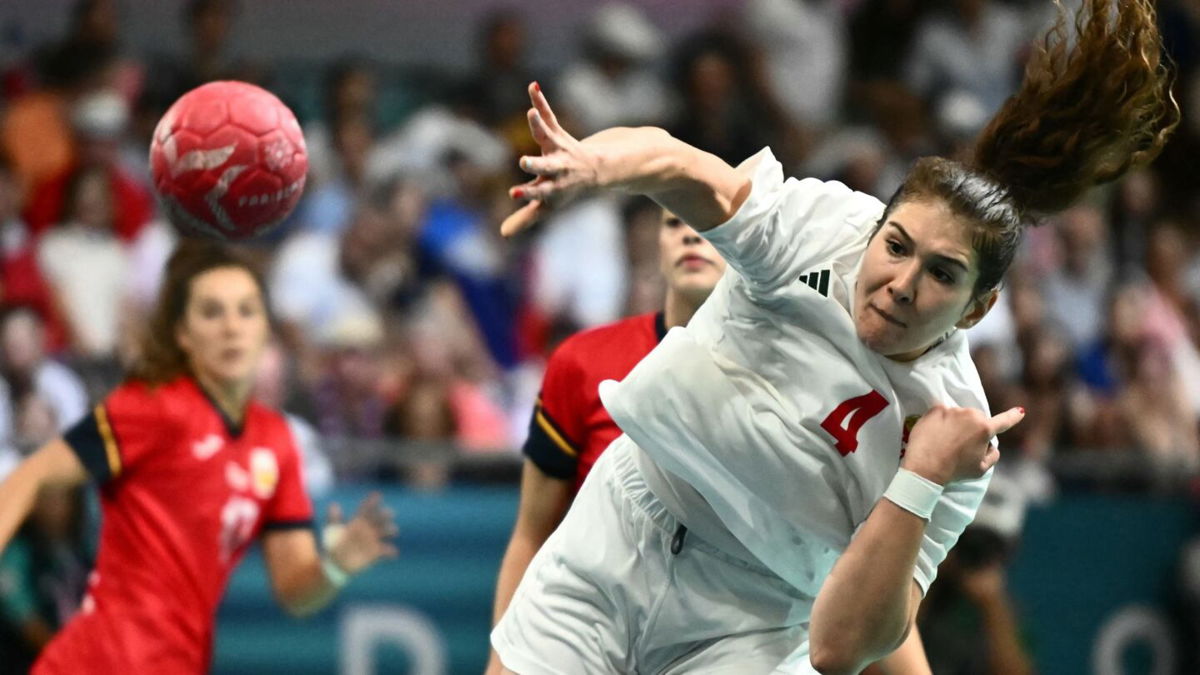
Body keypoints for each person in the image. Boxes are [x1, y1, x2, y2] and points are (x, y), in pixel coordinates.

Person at [491, 0, 1177, 672]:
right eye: (897, 245)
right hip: (625, 524)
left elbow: (841, 648)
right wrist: (593, 164)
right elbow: (675, 161)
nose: (903, 283)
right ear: (875, 229)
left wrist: (922, 475)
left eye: (942, 273)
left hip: (753, 624)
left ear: (977, 308)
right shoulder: (821, 228)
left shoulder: (952, 430)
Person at [0, 241, 399, 674]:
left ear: (267, 329)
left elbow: (294, 592)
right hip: (99, 661)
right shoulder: (150, 408)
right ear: (182, 334)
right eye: (212, 312)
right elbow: (32, 476)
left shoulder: (277, 441)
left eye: (247, 311)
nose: (232, 327)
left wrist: (335, 568)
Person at [486, 206, 727, 673]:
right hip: (588, 637)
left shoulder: (785, 381)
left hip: (718, 643)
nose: (691, 238)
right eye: (675, 224)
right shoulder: (582, 362)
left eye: (709, 226)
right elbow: (531, 534)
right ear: (654, 248)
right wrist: (503, 656)